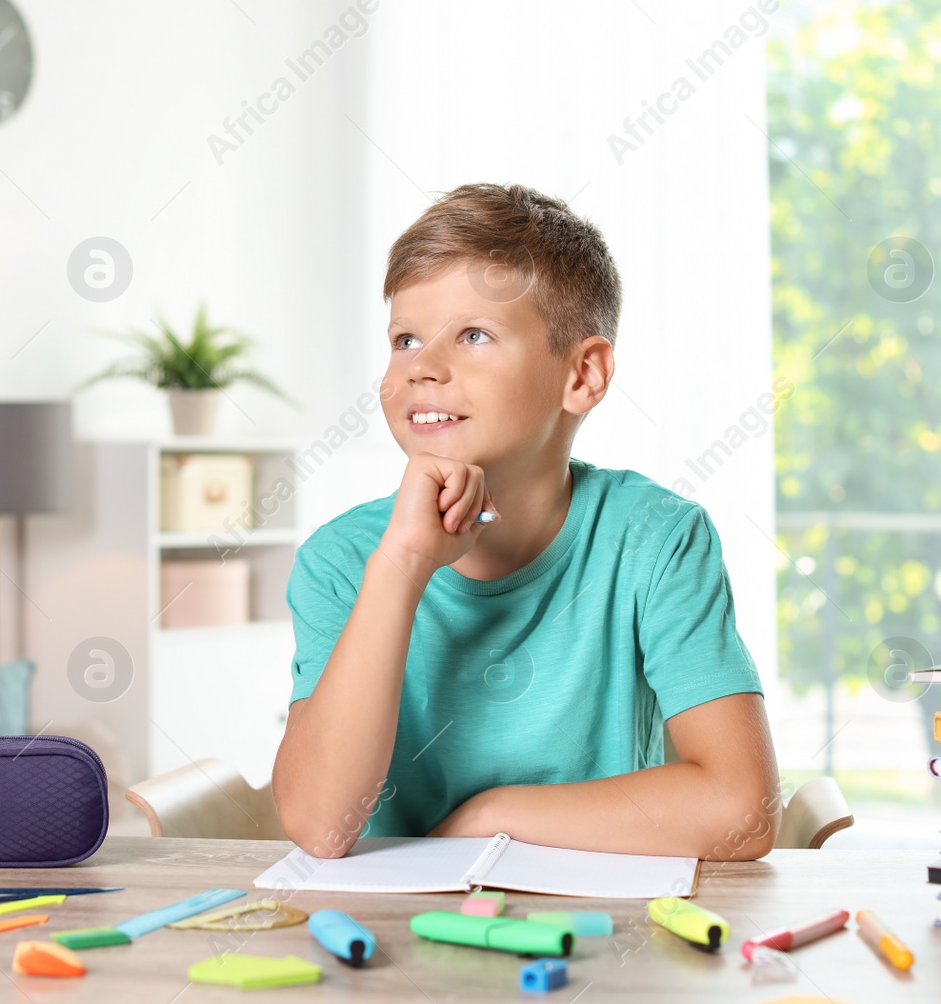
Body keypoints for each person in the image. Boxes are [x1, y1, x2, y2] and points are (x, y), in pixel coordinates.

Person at [272, 183, 779, 860]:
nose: (422, 366)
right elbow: (320, 825)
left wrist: (491, 816)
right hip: (390, 936)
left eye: (473, 335)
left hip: (600, 936)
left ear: (584, 375)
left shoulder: (656, 538)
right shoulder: (342, 558)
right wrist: (401, 566)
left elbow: (742, 809)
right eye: (405, 338)